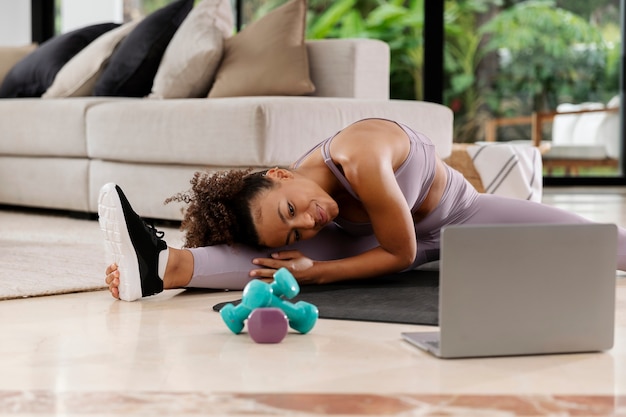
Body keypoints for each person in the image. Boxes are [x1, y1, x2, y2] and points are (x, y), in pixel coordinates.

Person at [98, 118, 626, 301]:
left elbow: (402, 251)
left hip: (461, 219)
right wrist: (296, 258)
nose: (309, 222)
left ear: (282, 173)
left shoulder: (359, 155)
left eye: (290, 212)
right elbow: (289, 243)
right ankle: (162, 267)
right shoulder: (309, 207)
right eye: (295, 232)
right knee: (275, 263)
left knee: (597, 242)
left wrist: (320, 272)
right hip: (374, 242)